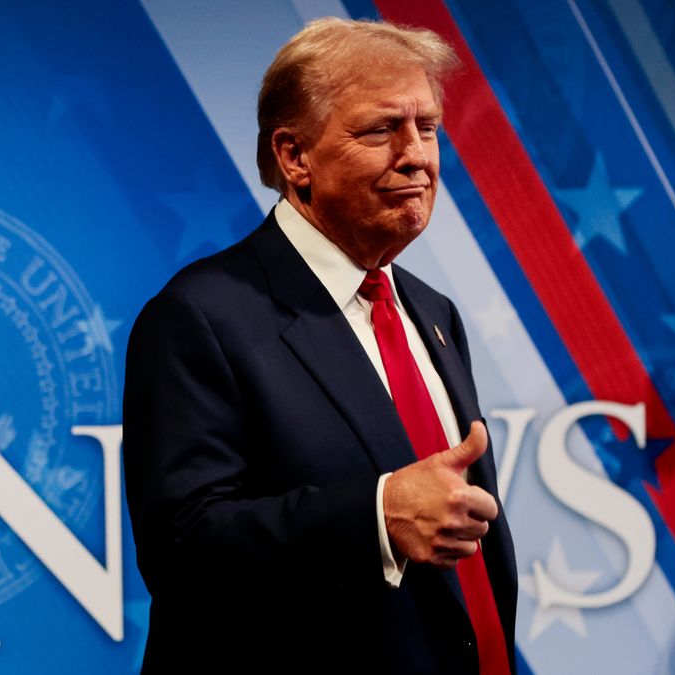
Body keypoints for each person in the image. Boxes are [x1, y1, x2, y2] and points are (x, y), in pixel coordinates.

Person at [123, 18, 517, 674]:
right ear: (294, 156)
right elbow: (182, 549)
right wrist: (377, 515)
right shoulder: (199, 316)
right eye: (382, 129)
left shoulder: (432, 311)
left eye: (427, 127)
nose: (417, 154)